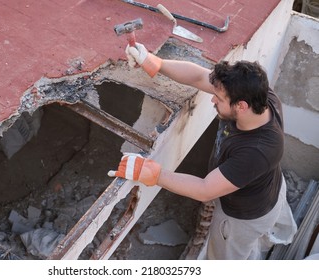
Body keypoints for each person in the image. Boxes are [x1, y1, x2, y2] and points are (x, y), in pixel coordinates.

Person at [108, 43, 297, 259]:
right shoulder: (261, 97)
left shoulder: (257, 150)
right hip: (268, 187)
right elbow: (199, 77)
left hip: (242, 218)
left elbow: (206, 189)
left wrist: (154, 173)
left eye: (220, 99)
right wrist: (155, 62)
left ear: (241, 106)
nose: (212, 99)